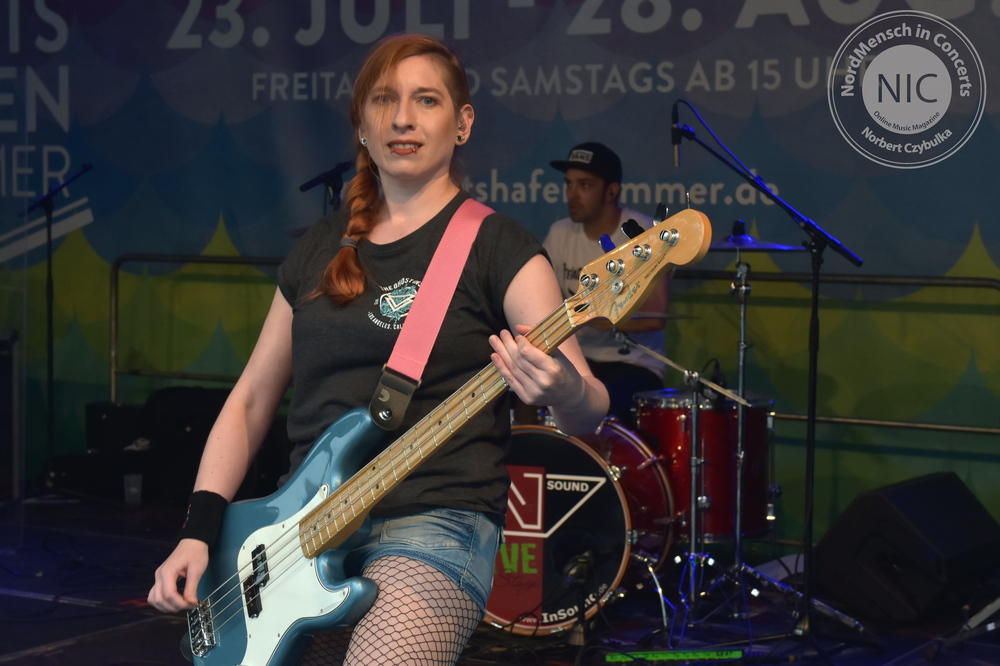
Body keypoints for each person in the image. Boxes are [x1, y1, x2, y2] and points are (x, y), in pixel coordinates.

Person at [146, 34, 609, 665]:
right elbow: (251, 400)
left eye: (427, 100)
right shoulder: (318, 248)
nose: (402, 118)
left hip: (436, 525)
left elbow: (589, 409)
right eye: (385, 100)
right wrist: (197, 532)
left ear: (463, 123)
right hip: (299, 537)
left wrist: (564, 389)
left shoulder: (500, 247)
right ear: (362, 125)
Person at [544, 142, 671, 424]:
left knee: (600, 404)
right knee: (526, 387)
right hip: (579, 358)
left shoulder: (642, 233)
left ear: (611, 191)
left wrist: (595, 316)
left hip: (632, 363)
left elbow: (656, 317)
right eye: (569, 184)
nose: (572, 194)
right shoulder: (559, 233)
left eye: (584, 185)